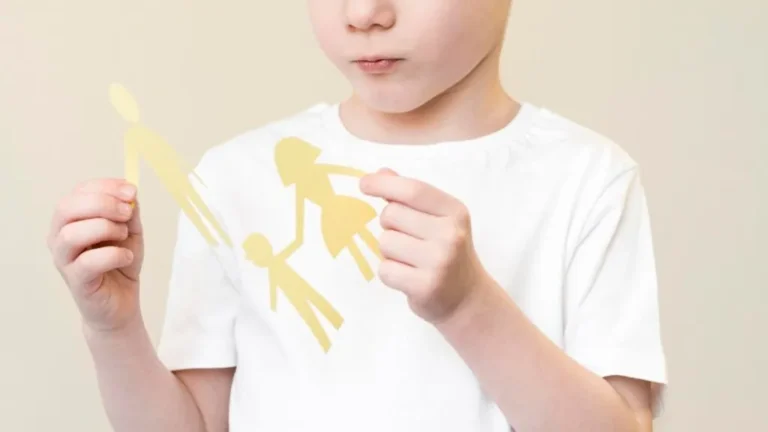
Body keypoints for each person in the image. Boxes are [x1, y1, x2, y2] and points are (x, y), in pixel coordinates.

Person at [46, 0, 668, 431]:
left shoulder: (586, 178)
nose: (363, 13)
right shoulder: (236, 176)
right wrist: (114, 331)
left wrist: (470, 307)